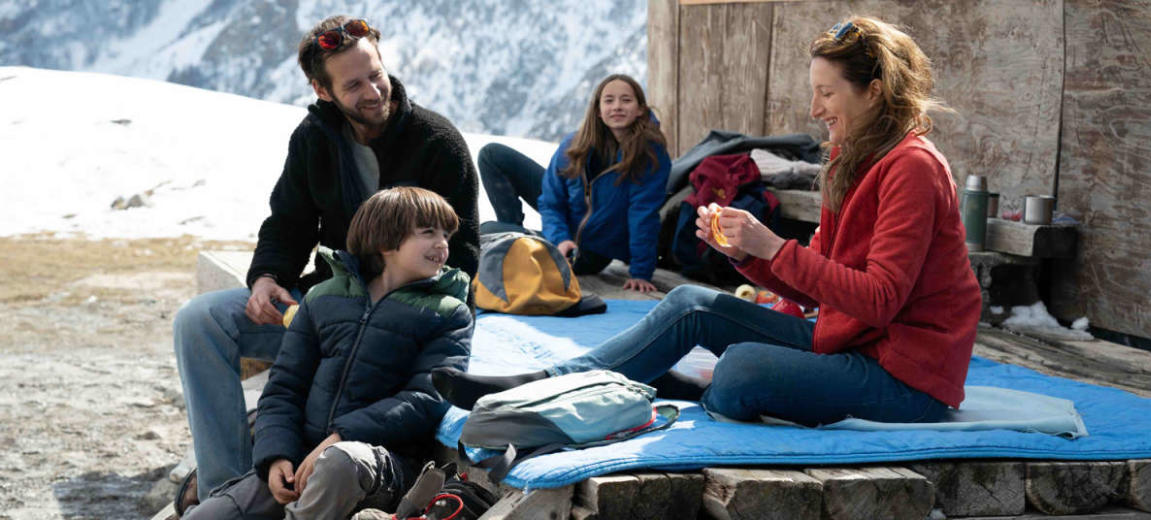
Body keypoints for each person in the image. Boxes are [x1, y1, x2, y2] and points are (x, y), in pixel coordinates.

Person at [433, 17, 982, 427]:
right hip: (847, 338)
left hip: (904, 377)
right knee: (689, 303)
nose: (814, 109)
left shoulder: (911, 168)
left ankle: (656, 380)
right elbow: (818, 279)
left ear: (876, 92)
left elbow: (881, 298)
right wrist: (743, 252)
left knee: (742, 370)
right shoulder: (852, 158)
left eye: (827, 92)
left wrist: (772, 248)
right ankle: (546, 384)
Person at [173, 15, 480, 505]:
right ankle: (226, 484)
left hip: (400, 319)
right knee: (200, 321)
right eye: (353, 84)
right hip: (327, 303)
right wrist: (268, 278)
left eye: (376, 74)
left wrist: (392, 300)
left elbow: (463, 254)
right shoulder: (314, 138)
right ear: (322, 90)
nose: (373, 91)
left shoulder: (437, 143)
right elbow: (289, 222)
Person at [183, 187, 473, 518]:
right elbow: (283, 388)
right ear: (386, 241)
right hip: (302, 459)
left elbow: (427, 397)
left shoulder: (449, 314)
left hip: (378, 466)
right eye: (428, 233)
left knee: (339, 461)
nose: (443, 244)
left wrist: (340, 436)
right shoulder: (323, 299)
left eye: (446, 234)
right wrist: (276, 455)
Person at [476, 74, 670, 293]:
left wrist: (641, 272)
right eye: (609, 100)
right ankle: (514, 235)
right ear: (598, 110)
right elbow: (551, 201)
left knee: (485, 231)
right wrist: (559, 238)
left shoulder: (650, 154)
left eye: (626, 100)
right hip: (566, 233)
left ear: (640, 109)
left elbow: (643, 215)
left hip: (590, 251)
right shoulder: (575, 145)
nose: (617, 106)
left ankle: (513, 240)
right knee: (492, 155)